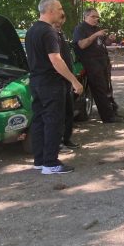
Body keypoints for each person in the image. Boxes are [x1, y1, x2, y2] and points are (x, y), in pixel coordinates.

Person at [25, 0, 84, 175]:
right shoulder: (48, 32)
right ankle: (50, 163)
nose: (61, 12)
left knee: (39, 120)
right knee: (53, 122)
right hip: (51, 83)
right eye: (59, 8)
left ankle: (40, 160)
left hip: (36, 81)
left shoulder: (32, 30)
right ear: (50, 11)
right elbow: (56, 61)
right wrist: (74, 80)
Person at [73, 8, 123, 123]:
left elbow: (104, 43)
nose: (96, 19)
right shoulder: (80, 29)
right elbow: (82, 45)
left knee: (107, 88)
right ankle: (107, 117)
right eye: (93, 17)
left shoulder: (97, 29)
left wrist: (109, 39)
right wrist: (95, 35)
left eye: (97, 17)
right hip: (91, 64)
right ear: (86, 17)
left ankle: (112, 112)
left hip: (103, 62)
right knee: (99, 90)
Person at [53, 12, 81, 152]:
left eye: (61, 22)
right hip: (57, 81)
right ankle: (58, 143)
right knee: (58, 114)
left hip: (67, 81)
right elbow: (56, 60)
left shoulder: (60, 35)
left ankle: (66, 138)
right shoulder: (50, 36)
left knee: (69, 111)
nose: (59, 24)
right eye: (57, 22)